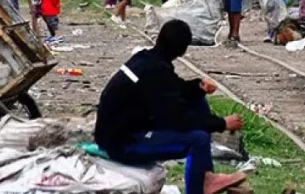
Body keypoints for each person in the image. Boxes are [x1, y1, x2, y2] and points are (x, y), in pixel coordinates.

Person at [95, 19, 247, 194]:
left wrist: (197, 87)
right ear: (182, 49)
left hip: (126, 128)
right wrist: (222, 123)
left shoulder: (147, 59)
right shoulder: (155, 70)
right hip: (123, 143)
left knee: (198, 100)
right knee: (198, 139)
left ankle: (207, 177)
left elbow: (175, 89)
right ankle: (199, 187)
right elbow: (178, 117)